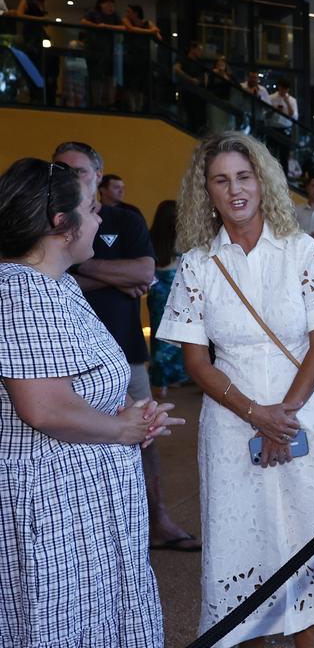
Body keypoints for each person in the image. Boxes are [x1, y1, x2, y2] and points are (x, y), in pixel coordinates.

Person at [155, 131, 314, 647]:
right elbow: (196, 359)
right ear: (205, 192)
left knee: (309, 535)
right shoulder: (197, 264)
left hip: (303, 415)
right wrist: (257, 414)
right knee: (246, 545)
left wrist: (285, 413)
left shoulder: (302, 251)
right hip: (232, 420)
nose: (235, 189)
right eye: (221, 180)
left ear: (263, 183)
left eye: (244, 176)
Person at [0, 156, 182, 647]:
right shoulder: (20, 290)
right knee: (59, 625)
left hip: (87, 497)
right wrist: (124, 429)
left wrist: (132, 412)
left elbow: (93, 373)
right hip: (51, 502)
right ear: (62, 225)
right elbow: (45, 408)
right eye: (92, 210)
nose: (100, 221)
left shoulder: (61, 284)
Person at [54, 141, 200, 553]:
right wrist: (116, 276)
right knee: (74, 440)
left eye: (78, 171)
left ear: (98, 176)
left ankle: (158, 520)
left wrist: (76, 267)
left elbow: (145, 271)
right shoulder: (44, 221)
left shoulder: (126, 219)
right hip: (65, 353)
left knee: (145, 435)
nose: (69, 178)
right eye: (60, 169)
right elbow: (43, 275)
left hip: (125, 350)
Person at [147, 200, 188, 398]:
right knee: (178, 334)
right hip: (177, 285)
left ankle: (160, 380)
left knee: (159, 334)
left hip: (157, 287)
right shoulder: (182, 237)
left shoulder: (150, 236)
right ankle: (174, 377)